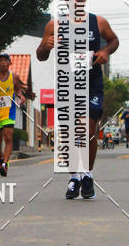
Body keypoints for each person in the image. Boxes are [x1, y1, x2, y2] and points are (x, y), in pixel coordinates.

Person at [36, 12, 119, 199]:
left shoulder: (98, 22)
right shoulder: (54, 25)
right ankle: (74, 177)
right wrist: (45, 46)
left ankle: (87, 175)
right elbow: (40, 56)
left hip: (92, 84)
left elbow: (114, 40)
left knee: (89, 129)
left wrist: (106, 51)